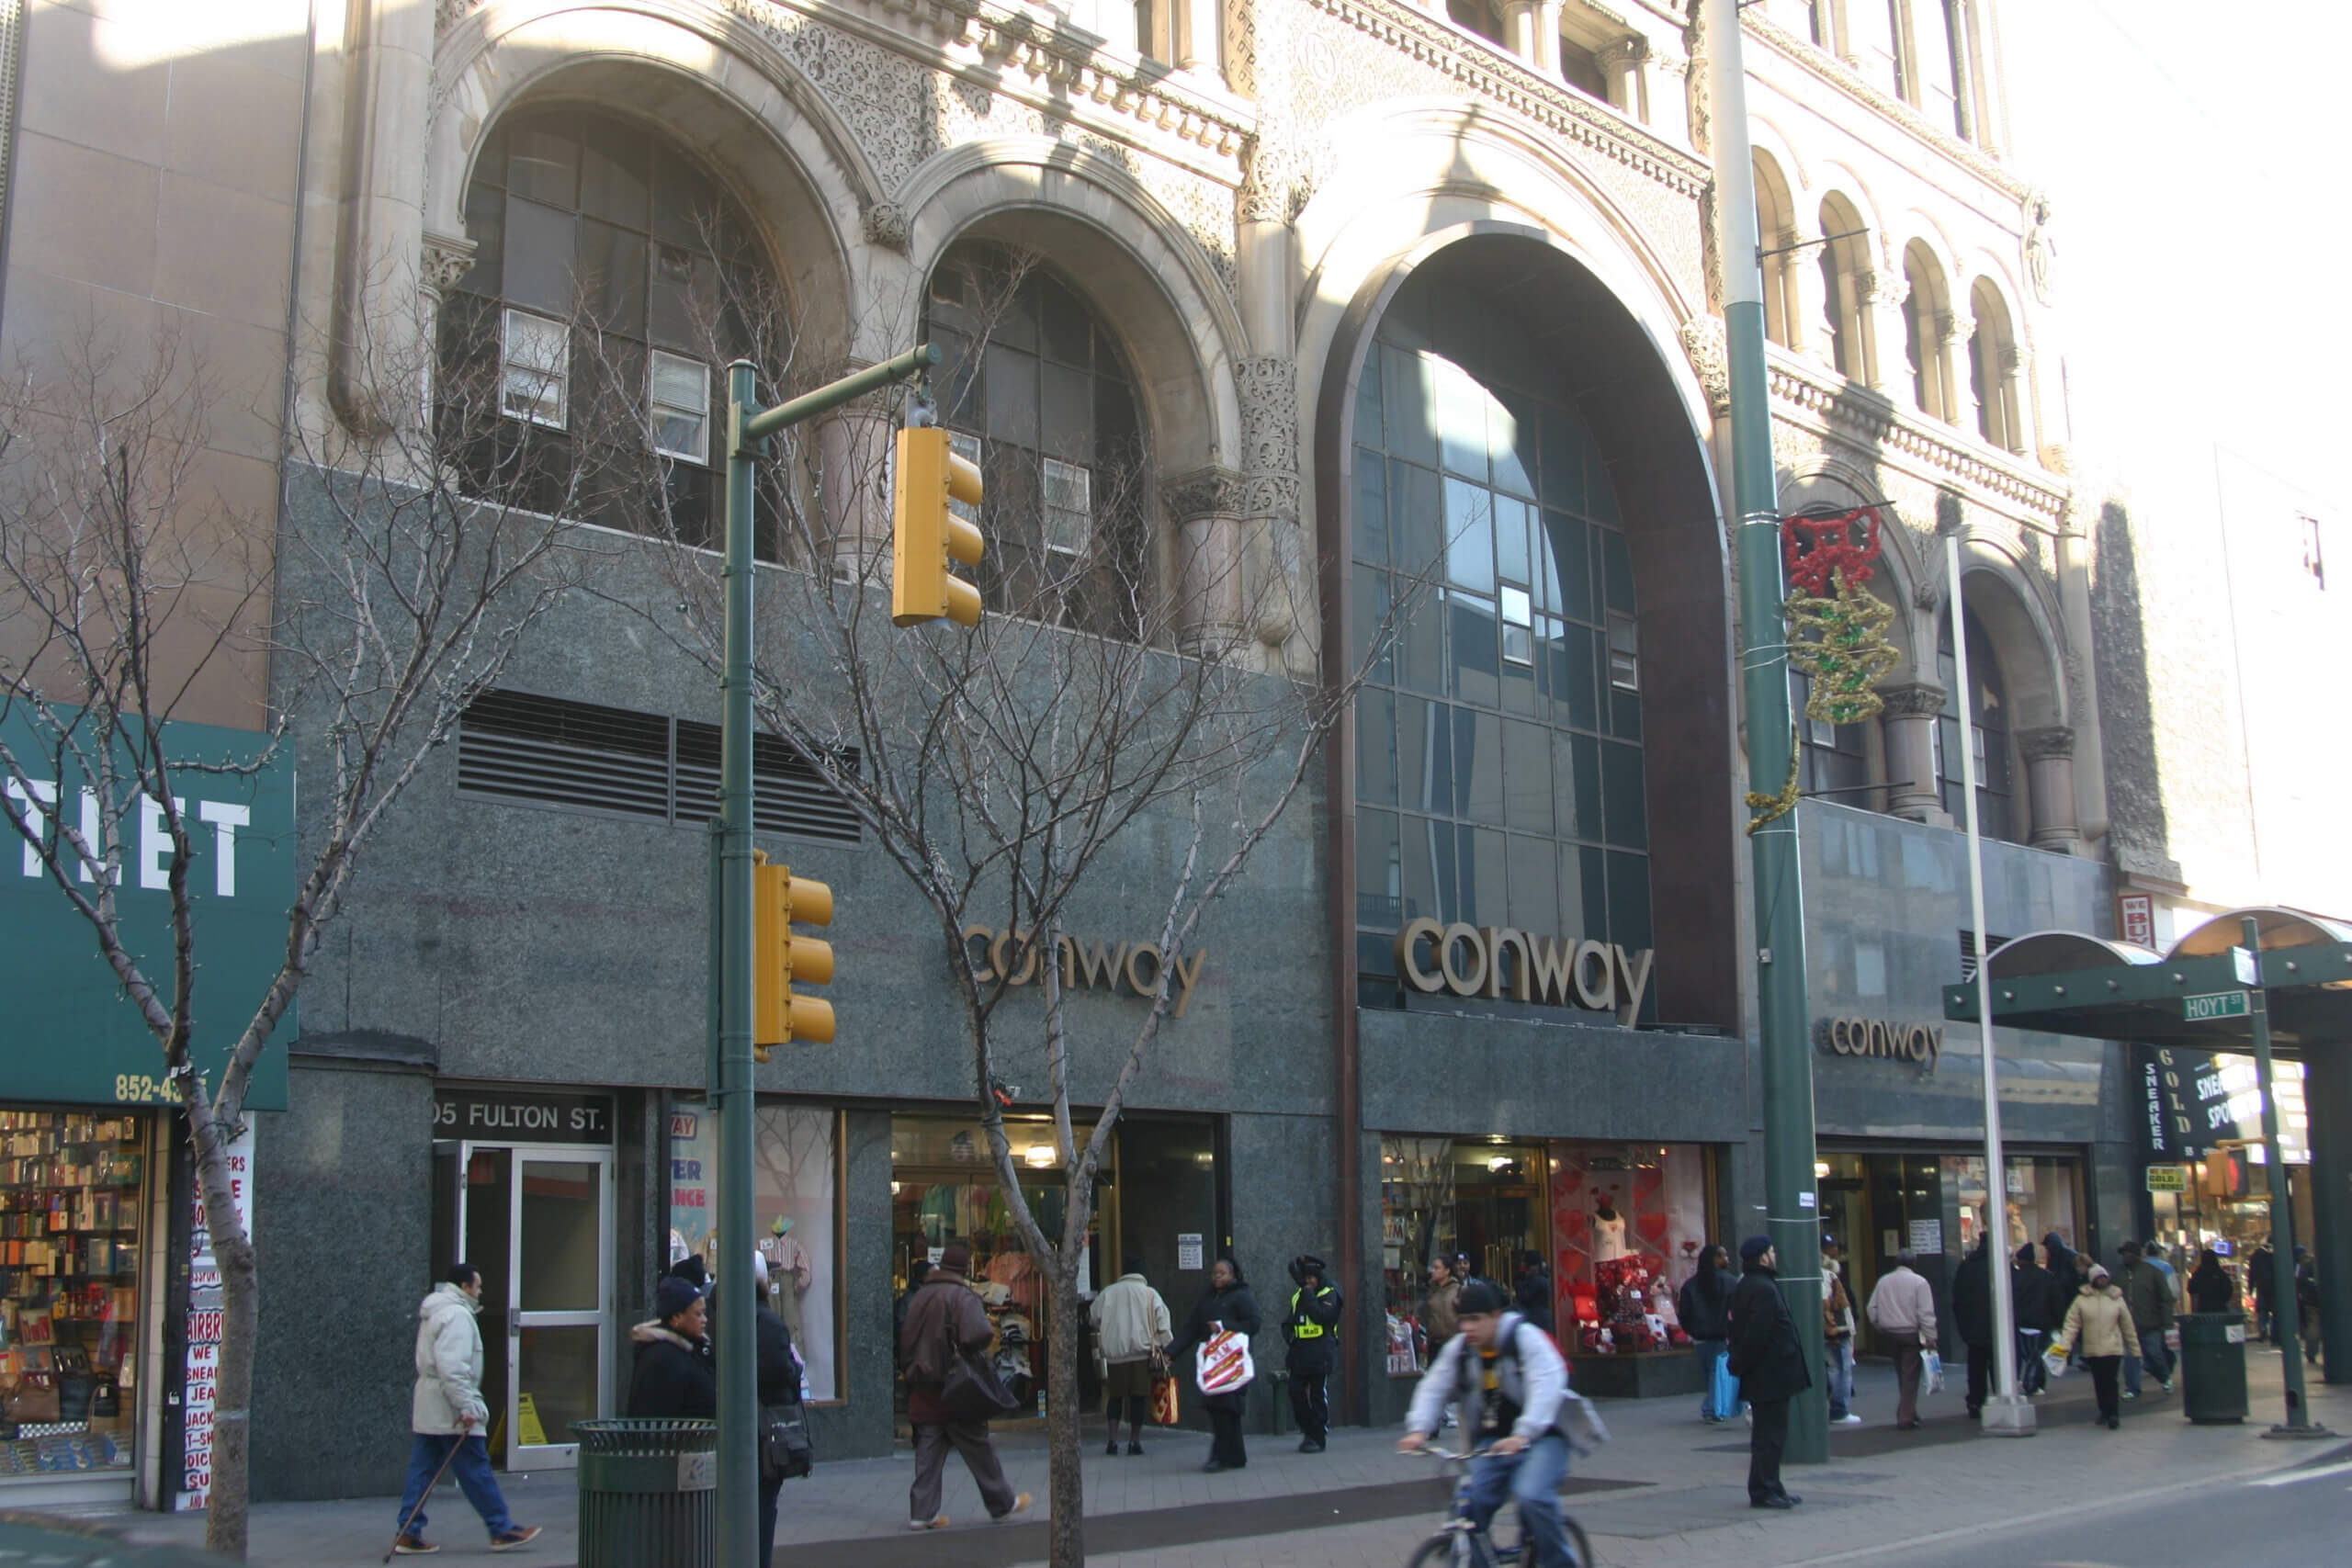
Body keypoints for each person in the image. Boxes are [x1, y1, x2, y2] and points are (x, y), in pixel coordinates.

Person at [1396, 1279, 1606, 1565]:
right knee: (1467, 1507)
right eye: (1463, 1320)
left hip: (1543, 1437)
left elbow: (1547, 1383)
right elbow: (1434, 1386)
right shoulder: (1460, 1349)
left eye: (1475, 1320)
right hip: (1493, 1443)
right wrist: (1419, 1428)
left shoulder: (1525, 1339)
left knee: (1532, 1497)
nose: (1467, 1328)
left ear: (1496, 1316)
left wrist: (1525, 1432)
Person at [394, 1264, 541, 1556]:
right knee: (475, 1468)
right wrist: (468, 1406)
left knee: (423, 1470)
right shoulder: (457, 1316)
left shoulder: (436, 1311)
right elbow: (454, 1369)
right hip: (451, 1409)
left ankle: (408, 1531)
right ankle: (500, 1528)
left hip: (431, 1405)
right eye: (478, 1286)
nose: (480, 1292)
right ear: (464, 1287)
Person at [899, 1242, 1030, 1530]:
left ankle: (921, 1514)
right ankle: (1002, 1503)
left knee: (928, 1452)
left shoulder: (920, 1296)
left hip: (923, 1384)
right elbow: (979, 1333)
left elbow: (905, 1338)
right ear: (964, 1268)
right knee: (977, 1445)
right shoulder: (960, 1295)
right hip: (954, 1383)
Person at [1727, 1237, 1809, 1509]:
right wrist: (1744, 1363)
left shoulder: (1752, 1285)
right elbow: (1756, 1334)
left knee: (1770, 1434)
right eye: (1772, 1252)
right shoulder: (1761, 1288)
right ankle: (1764, 1490)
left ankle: (1772, 1486)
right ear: (1763, 1257)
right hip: (1770, 1373)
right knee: (1769, 1435)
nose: (1775, 1255)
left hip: (1768, 1372)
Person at [1171, 1254, 1261, 1472]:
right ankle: (1236, 1455)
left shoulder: (1241, 1296)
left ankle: (1220, 1456)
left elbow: (1253, 1324)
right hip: (1212, 1363)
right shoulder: (1208, 1299)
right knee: (1221, 1409)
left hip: (1233, 1362)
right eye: (1214, 1274)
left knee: (1227, 1408)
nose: (1217, 1278)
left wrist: (1223, 1326)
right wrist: (1170, 1352)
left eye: (1222, 1274)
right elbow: (1192, 1328)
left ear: (1232, 1275)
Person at [1089, 1255, 1172, 1456]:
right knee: (1138, 1399)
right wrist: (1162, 1346)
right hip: (1142, 1355)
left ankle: (1112, 1441)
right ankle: (1134, 1442)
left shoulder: (1108, 1293)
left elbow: (1093, 1318)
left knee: (1115, 1398)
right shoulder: (1151, 1294)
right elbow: (1164, 1327)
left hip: (1115, 1357)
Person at [750, 1254, 801, 1568]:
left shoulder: (713, 1312)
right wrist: (795, 1372)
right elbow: (781, 1371)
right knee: (763, 1504)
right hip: (764, 1426)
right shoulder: (766, 1321)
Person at [2054, 1264, 2136, 1430]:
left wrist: (2135, 1348)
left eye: (2104, 1277)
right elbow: (2071, 1324)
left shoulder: (2116, 1298)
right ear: (2092, 1280)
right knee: (2099, 1381)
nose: (2102, 1280)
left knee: (2111, 1381)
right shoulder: (2081, 1300)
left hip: (2113, 1347)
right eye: (2098, 1277)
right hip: (2092, 1349)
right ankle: (2104, 1411)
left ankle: (2113, 1413)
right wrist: (2064, 1346)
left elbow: (2128, 1325)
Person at [1866, 1249, 1937, 1430]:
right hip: (1911, 1333)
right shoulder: (1920, 1282)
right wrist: (1931, 1337)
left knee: (1901, 1373)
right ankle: (1905, 1416)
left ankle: (1908, 1410)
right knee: (1910, 1376)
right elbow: (1926, 1313)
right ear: (1914, 1263)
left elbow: (1872, 1308)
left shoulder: (1884, 1281)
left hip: (1890, 1332)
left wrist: (1879, 1325)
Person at [628, 1273, 717, 1417]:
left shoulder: (697, 1348)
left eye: (704, 1313)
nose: (704, 1320)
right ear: (677, 1317)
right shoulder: (662, 1358)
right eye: (698, 1314)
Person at [1281, 1255, 1343, 1452]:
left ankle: (1318, 1436)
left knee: (1317, 1394)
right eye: (1305, 1278)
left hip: (1320, 1352)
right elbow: (1288, 1321)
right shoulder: (1299, 1295)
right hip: (1300, 1352)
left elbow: (1321, 1317)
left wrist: (1308, 1294)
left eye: (1311, 1278)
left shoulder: (1330, 1293)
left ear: (1319, 1277)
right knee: (1295, 1391)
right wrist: (1290, 1337)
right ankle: (1308, 1429)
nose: (1308, 1282)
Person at [1677, 1245, 1738, 1424]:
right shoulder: (1730, 1283)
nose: (1727, 1259)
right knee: (1715, 1372)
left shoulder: (1691, 1285)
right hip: (1720, 1335)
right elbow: (1737, 1310)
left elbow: (1684, 1314)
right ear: (1714, 1259)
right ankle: (1711, 1408)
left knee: (1711, 1371)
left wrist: (1692, 1330)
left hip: (1701, 1337)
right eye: (1722, 1256)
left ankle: (1713, 1406)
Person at [2115, 1242, 2174, 1397]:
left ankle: (2164, 1376)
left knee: (2153, 1353)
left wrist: (2167, 1322)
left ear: (2136, 1255)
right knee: (2130, 1357)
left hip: (2150, 1323)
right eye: (2123, 1254)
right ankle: (2132, 1388)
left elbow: (2166, 1298)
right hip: (2127, 1325)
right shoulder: (2118, 1275)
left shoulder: (2153, 1273)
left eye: (2128, 1254)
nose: (2125, 1257)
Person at [1951, 1235, 1995, 1419]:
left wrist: (1964, 1325)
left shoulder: (1967, 1266)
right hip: (1994, 1326)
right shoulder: (1997, 1265)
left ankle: (1975, 1400)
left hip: (1973, 1326)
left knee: (1976, 1365)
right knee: (1998, 1364)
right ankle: (2001, 1394)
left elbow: (1957, 1296)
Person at [1820, 1235, 1860, 1426]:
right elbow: (1830, 1306)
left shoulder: (1827, 1276)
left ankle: (1838, 1408)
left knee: (1836, 1368)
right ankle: (1839, 1410)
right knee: (1840, 1369)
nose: (1834, 1250)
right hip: (1835, 1331)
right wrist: (1835, 1329)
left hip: (1833, 1329)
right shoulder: (1828, 1277)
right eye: (1830, 1247)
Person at [2010, 1244, 2058, 1395]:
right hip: (2041, 1321)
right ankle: (2035, 1383)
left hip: (2021, 1321)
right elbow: (2055, 1301)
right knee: (2036, 1354)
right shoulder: (2046, 1277)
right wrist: (2057, 1321)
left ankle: (2030, 1382)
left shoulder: (2014, 1278)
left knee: (2027, 1354)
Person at [1425, 1254, 1464, 1354]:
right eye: (1432, 1268)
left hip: (1454, 1345)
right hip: (1435, 1345)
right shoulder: (1432, 1290)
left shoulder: (1459, 1290)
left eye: (1437, 1268)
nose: (1433, 1271)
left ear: (1447, 1271)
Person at [1513, 1251, 1555, 1335]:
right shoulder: (1543, 1278)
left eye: (1524, 1262)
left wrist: (1519, 1280)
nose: (1521, 1265)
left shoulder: (1536, 1281)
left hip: (1537, 1320)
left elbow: (1523, 1297)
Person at [2188, 1247, 2238, 1314]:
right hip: (2220, 1309)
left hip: (2204, 1309)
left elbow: (2191, 1288)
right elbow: (2228, 1289)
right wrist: (2222, 1300)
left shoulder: (2199, 1273)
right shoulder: (2220, 1273)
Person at [2248, 1237, 2278, 1342]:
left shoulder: (2255, 1256)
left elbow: (2252, 1274)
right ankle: (2275, 1334)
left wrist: (2250, 1289)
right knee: (2275, 1311)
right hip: (2274, 1287)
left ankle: (2263, 1329)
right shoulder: (2274, 1255)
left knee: (2263, 1310)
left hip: (2261, 1286)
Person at [2294, 1247, 2321, 1362]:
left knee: (2313, 1327)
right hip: (2316, 1300)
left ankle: (2311, 1353)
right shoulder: (2313, 1263)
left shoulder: (2306, 1264)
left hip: (2311, 1301)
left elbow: (2300, 1280)